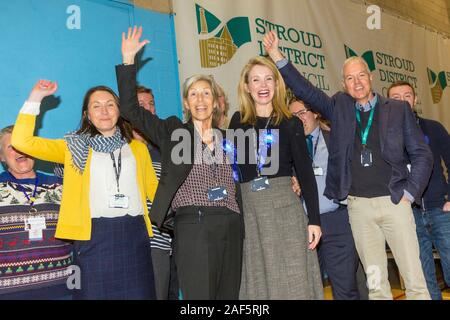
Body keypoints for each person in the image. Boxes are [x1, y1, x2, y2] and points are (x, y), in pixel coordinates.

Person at [263, 30, 433, 300]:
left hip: (395, 203)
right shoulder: (339, 107)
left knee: (415, 283)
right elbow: (305, 89)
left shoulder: (397, 110)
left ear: (371, 77)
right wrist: (276, 56)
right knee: (376, 285)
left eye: (361, 75)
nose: (357, 82)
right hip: (359, 210)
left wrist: (409, 194)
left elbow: (423, 155)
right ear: (343, 84)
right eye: (350, 78)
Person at [116, 26, 244, 300]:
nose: (201, 99)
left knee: (229, 297)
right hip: (193, 225)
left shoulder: (229, 139)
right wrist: (128, 61)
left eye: (206, 93)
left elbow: (249, 175)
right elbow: (129, 109)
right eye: (194, 94)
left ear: (215, 102)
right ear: (186, 102)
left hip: (231, 223)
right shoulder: (175, 132)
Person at [11, 80, 158, 300]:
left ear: (120, 111)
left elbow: (155, 191)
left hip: (134, 236)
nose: (104, 111)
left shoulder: (137, 149)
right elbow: (22, 141)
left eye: (110, 104)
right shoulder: (74, 147)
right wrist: (35, 99)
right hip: (93, 237)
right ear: (87, 115)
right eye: (96, 106)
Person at [229, 55, 323, 300]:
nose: (263, 85)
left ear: (277, 84)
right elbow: (233, 169)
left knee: (293, 280)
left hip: (285, 211)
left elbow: (305, 173)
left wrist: (314, 220)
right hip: (251, 212)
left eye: (269, 79)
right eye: (256, 80)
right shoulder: (237, 122)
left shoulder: (291, 123)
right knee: (258, 283)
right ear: (247, 87)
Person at [289, 98, 364, 300]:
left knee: (345, 287)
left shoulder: (334, 140)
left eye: (302, 112)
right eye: (293, 116)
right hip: (302, 225)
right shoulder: (283, 149)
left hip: (337, 221)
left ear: (316, 113)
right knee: (307, 289)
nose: (299, 119)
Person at [388, 81, 450, 300]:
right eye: (396, 98)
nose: (403, 101)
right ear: (388, 103)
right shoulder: (384, 137)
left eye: (407, 96)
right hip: (409, 215)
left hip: (440, 210)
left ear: (414, 100)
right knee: (424, 277)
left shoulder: (433, 128)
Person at [0, 125, 73, 300]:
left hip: (61, 287)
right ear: (1, 156)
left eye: (24, 145)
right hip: (8, 291)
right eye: (11, 147)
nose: (20, 151)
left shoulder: (62, 185)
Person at [134, 85, 179, 300]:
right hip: (143, 245)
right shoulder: (122, 149)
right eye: (140, 105)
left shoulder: (168, 146)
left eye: (151, 104)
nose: (148, 109)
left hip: (173, 242)